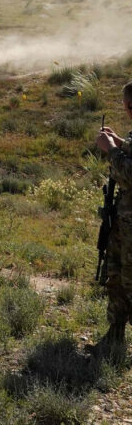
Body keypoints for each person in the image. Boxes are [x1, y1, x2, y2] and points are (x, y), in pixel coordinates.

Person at [94, 82, 132, 358]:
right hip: (124, 222)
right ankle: (114, 336)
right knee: (116, 275)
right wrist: (120, 142)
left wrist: (111, 150)